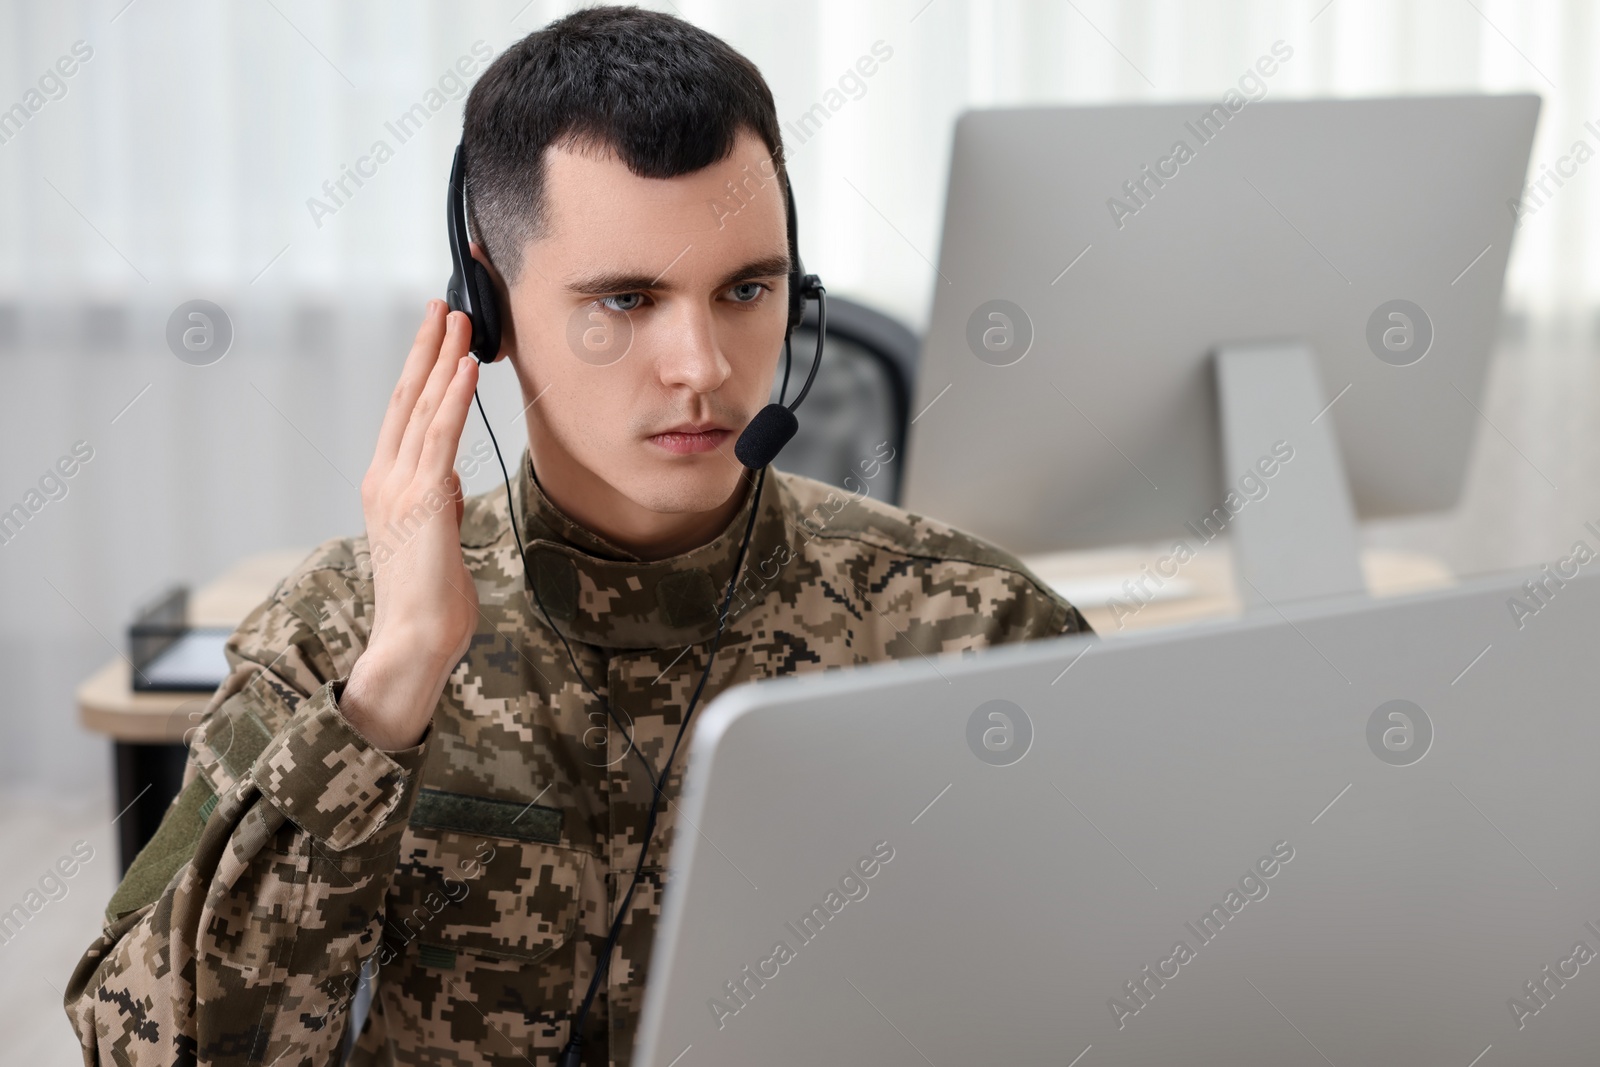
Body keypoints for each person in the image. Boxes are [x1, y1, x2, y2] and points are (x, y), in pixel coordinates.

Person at [63, 7, 1092, 1065]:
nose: (700, 364)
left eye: (746, 288)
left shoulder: (975, 629)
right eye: (626, 300)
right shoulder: (339, 633)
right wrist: (389, 692)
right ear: (488, 305)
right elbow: (142, 1048)